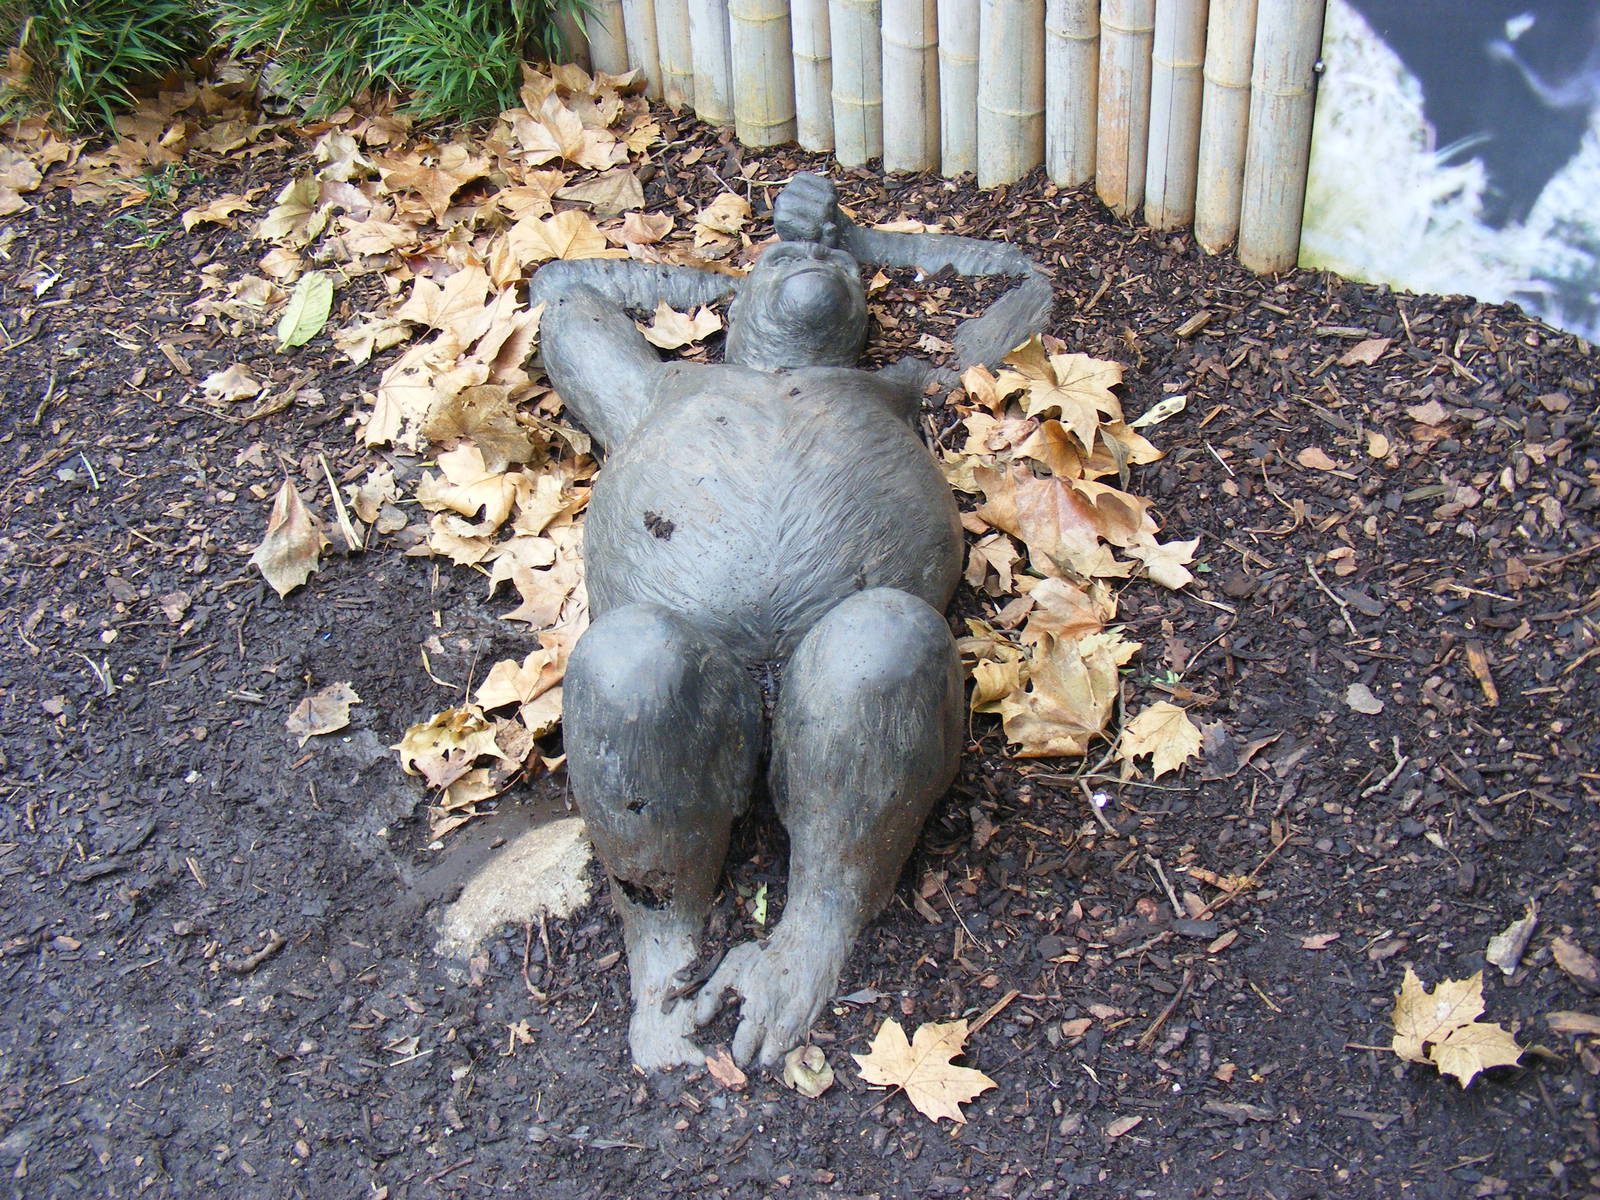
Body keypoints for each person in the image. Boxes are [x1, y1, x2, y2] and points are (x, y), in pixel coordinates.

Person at [527, 172, 1049, 1069]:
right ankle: (662, 962)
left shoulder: (896, 389)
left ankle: (814, 937)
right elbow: (563, 296)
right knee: (625, 663)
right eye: (778, 262)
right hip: (679, 666)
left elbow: (1026, 288)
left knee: (892, 640)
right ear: (735, 314)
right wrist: (726, 277)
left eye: (830, 267)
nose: (805, 261)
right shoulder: (657, 388)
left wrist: (862, 241)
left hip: (850, 662)